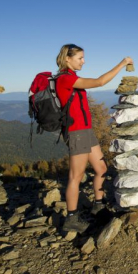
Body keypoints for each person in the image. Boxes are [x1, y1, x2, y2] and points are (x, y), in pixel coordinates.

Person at [55, 44, 133, 233]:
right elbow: (99, 82)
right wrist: (122, 63)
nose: (84, 61)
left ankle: (98, 205)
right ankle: (71, 217)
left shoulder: (72, 78)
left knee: (101, 168)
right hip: (76, 132)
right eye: (80, 58)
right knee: (76, 176)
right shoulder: (65, 79)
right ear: (67, 58)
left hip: (86, 131)